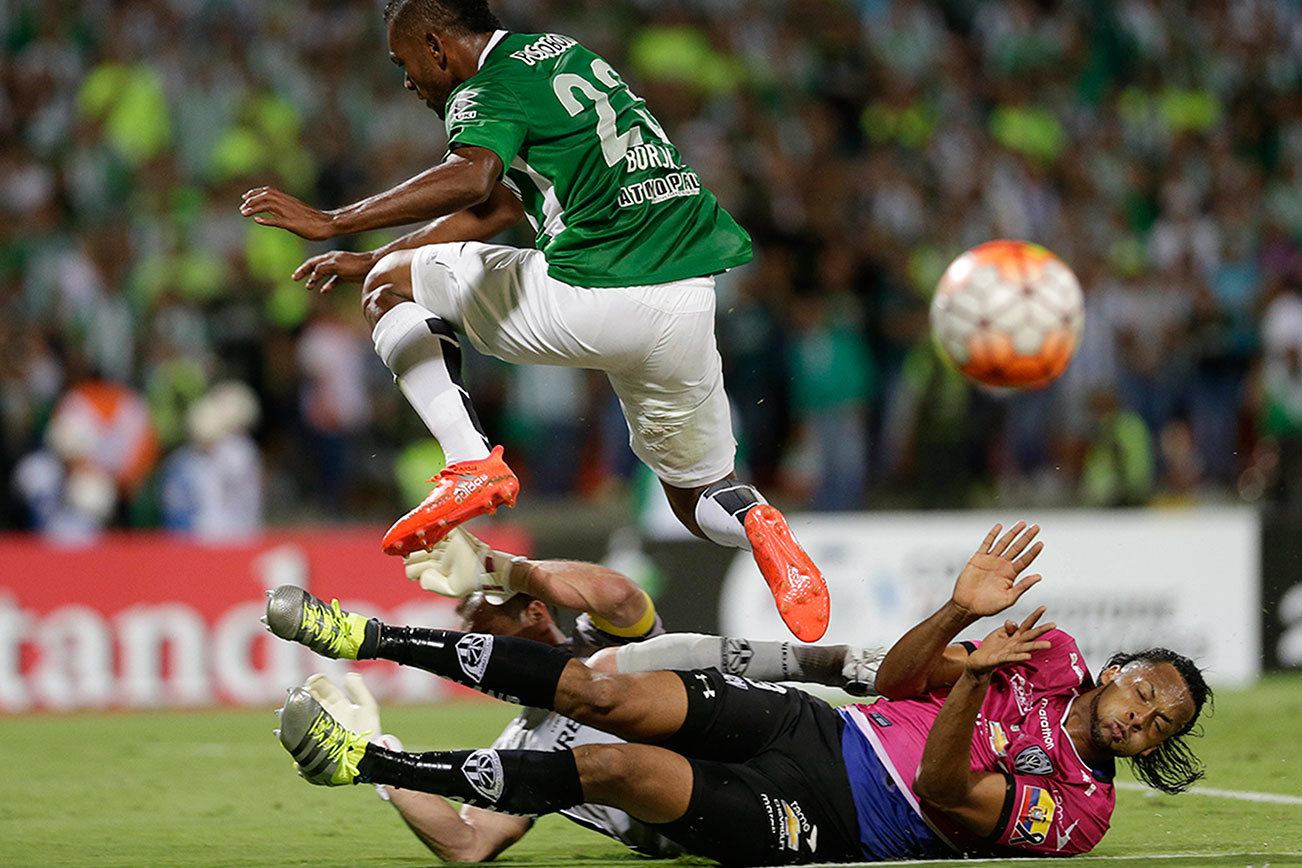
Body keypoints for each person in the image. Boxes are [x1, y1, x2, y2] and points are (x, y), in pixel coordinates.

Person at [237, 0, 828, 640]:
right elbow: (498, 207)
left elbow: (471, 178)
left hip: (598, 291)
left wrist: (334, 223)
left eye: (404, 63)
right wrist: (379, 253)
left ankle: (469, 461)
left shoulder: (483, 88)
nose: (407, 81)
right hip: (686, 298)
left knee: (387, 290)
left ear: (437, 47)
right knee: (696, 495)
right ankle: (758, 523)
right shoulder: (563, 54)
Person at [268, 521, 1211, 865]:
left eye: (1160, 725)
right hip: (820, 726)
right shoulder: (1052, 653)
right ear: (1121, 669)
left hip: (828, 819)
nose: (1143, 718)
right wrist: (955, 616)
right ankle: (366, 634)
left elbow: (944, 793)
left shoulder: (1082, 812)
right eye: (1147, 692)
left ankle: (369, 761)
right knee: (607, 694)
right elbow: (892, 680)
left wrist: (974, 679)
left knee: (613, 767)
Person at [279, 526, 882, 862]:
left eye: (483, 634)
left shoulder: (608, 643)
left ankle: (369, 639)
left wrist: (504, 567)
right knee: (609, 758)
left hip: (777, 742)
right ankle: (366, 754)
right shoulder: (522, 746)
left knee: (617, 669)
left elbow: (621, 597)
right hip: (721, 816)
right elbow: (466, 844)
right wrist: (385, 764)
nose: (479, 663)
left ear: (536, 613)